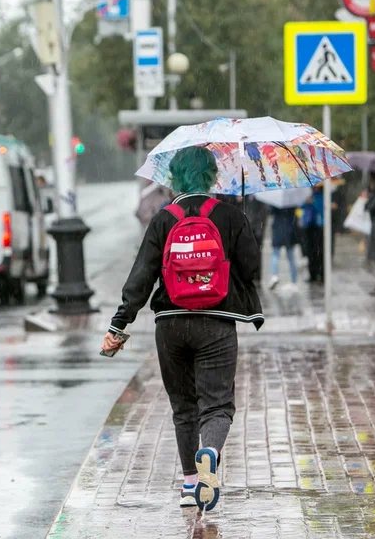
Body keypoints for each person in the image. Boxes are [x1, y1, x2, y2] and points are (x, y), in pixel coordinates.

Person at [101, 146, 263, 512]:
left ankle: (190, 484)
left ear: (175, 178)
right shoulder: (229, 214)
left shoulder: (163, 218)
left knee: (183, 406)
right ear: (212, 177)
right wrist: (240, 228)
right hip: (216, 321)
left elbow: (142, 275)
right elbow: (251, 267)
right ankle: (211, 452)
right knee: (217, 404)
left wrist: (119, 323)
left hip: (170, 323)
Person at [269, 206, 299, 289]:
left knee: (275, 255)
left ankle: (274, 276)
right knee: (291, 258)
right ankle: (294, 281)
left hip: (278, 231)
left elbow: (270, 211)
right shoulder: (292, 203)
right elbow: (296, 215)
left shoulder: (275, 203)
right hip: (289, 231)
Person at [301, 186, 324, 284]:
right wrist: (306, 201)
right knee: (310, 251)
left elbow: (322, 209)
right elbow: (301, 206)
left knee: (320, 251)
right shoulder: (308, 194)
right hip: (308, 226)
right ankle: (312, 274)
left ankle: (321, 274)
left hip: (318, 227)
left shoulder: (321, 196)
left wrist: (313, 202)